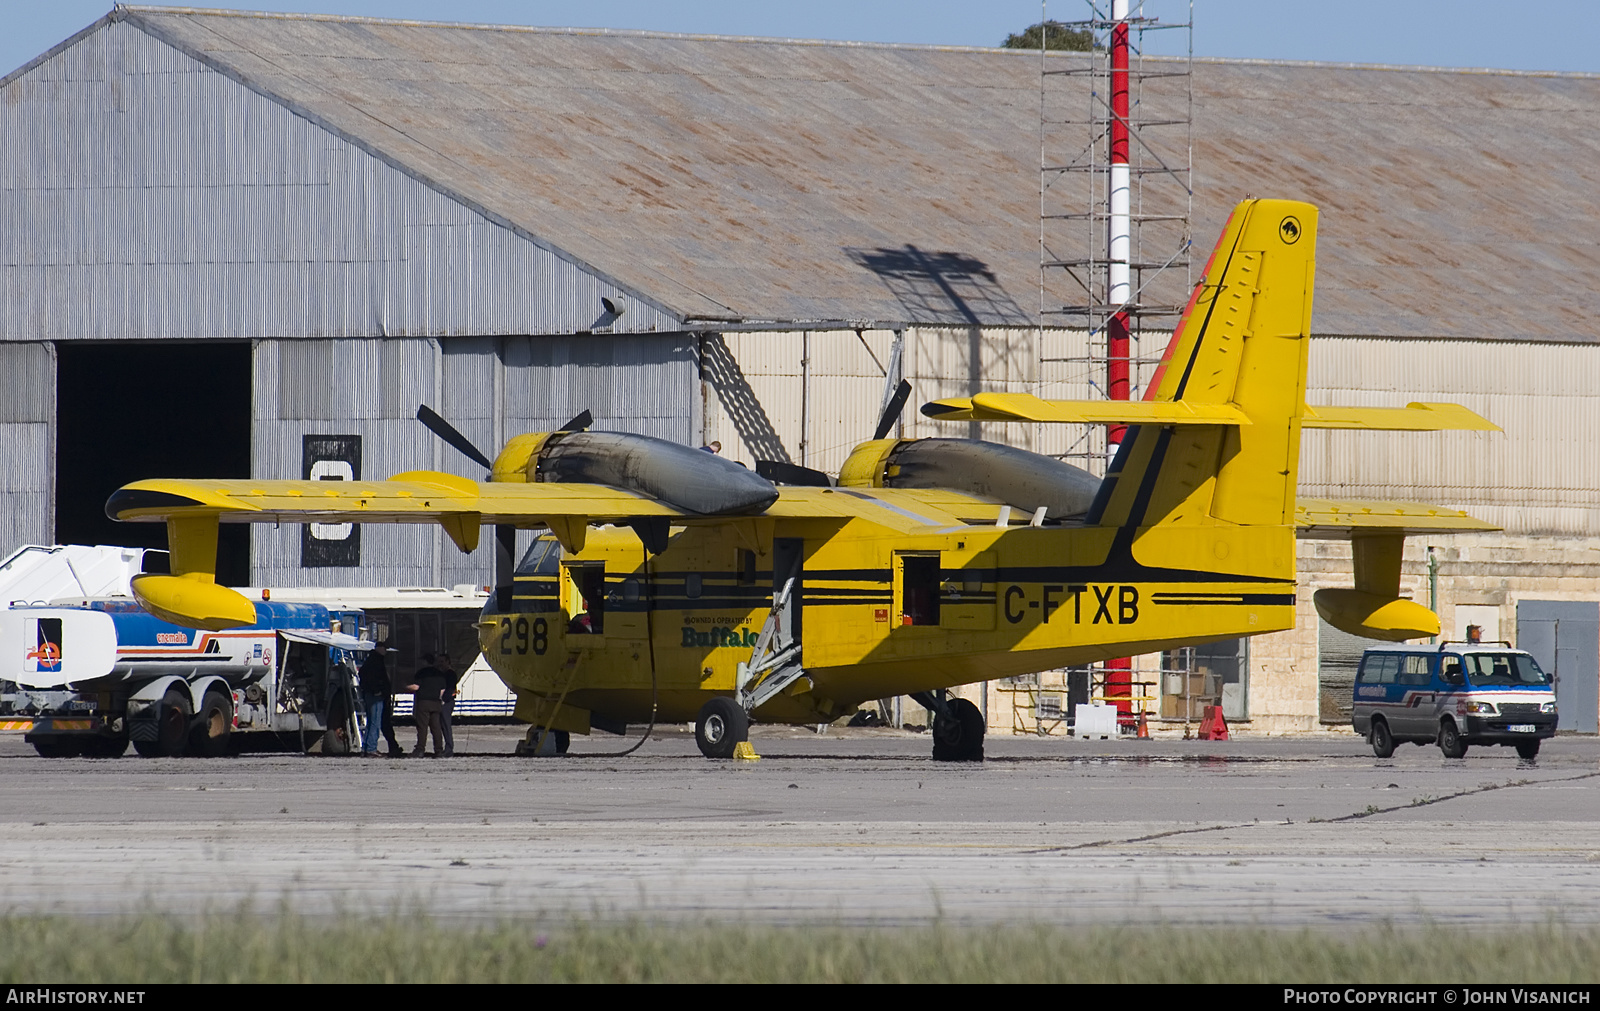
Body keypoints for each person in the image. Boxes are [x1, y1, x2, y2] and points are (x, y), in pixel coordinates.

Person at [409, 652, 449, 758]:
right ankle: (438, 750)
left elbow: (416, 687)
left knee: (422, 727)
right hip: (436, 703)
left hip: (423, 702)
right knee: (436, 727)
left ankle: (420, 749)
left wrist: (405, 686)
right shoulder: (439, 674)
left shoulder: (421, 673)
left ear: (425, 661)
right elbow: (442, 690)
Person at [357, 641, 392, 757]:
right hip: (375, 696)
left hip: (369, 694)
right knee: (375, 722)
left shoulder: (370, 660)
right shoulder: (377, 661)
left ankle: (365, 747)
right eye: (385, 648)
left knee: (371, 721)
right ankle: (371, 748)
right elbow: (376, 678)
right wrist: (378, 690)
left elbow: (362, 673)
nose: (385, 651)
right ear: (380, 648)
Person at [437, 652, 461, 758]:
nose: (440, 664)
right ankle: (447, 747)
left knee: (446, 725)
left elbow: (450, 689)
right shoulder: (445, 673)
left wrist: (443, 699)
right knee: (443, 725)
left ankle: (449, 748)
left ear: (448, 662)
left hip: (447, 702)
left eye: (442, 662)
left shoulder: (450, 674)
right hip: (445, 701)